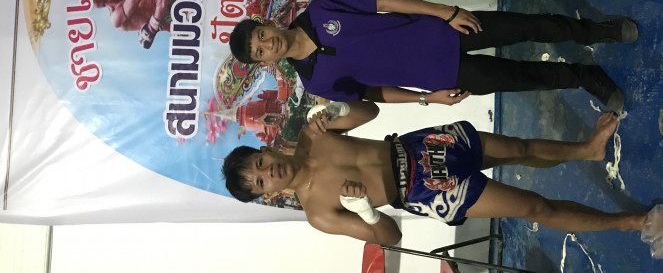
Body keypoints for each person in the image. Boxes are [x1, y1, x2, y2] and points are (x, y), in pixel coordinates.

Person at [222, 100, 662, 254]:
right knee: (535, 207)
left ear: (265, 150)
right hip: (425, 189)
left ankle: (587, 149)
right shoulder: (319, 213)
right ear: (269, 195)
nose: (268, 174)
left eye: (260, 165)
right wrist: (366, 211)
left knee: (519, 147)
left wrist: (334, 110)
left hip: (418, 147)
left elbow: (368, 111)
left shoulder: (312, 134)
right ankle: (632, 222)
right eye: (261, 184)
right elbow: (390, 238)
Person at [228, 0, 637, 113]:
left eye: (260, 35)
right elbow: (373, 94)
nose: (267, 44)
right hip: (442, 77)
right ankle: (586, 77)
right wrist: (427, 99)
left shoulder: (320, 10)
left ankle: (595, 30)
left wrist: (447, 12)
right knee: (522, 78)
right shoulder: (316, 82)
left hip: (445, 31)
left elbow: (384, 2)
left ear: (266, 23)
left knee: (529, 25)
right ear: (265, 63)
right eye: (260, 52)